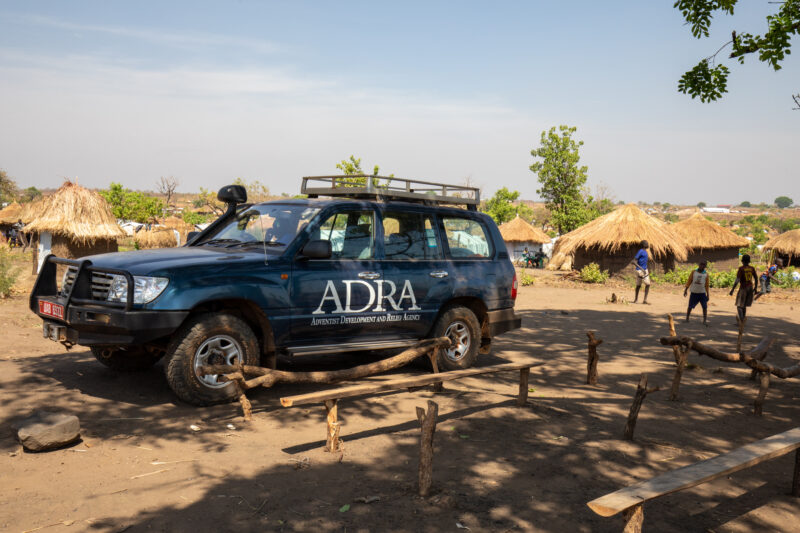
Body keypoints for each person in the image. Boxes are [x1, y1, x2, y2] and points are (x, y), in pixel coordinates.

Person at [729, 254, 757, 324]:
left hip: (743, 288)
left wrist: (732, 289)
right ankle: (743, 320)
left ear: (742, 261)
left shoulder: (741, 269)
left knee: (739, 305)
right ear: (749, 261)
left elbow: (737, 280)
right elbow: (756, 278)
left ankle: (741, 320)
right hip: (750, 288)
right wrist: (755, 288)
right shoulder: (752, 268)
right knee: (744, 305)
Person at [684, 260, 710, 326]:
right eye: (701, 264)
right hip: (694, 292)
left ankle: (704, 320)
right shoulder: (694, 272)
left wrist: (708, 294)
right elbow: (689, 281)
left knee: (704, 307)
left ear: (705, 266)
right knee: (690, 306)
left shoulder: (706, 274)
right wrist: (686, 290)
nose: (702, 266)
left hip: (702, 293)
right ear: (699, 264)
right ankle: (687, 318)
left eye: (704, 265)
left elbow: (707, 285)